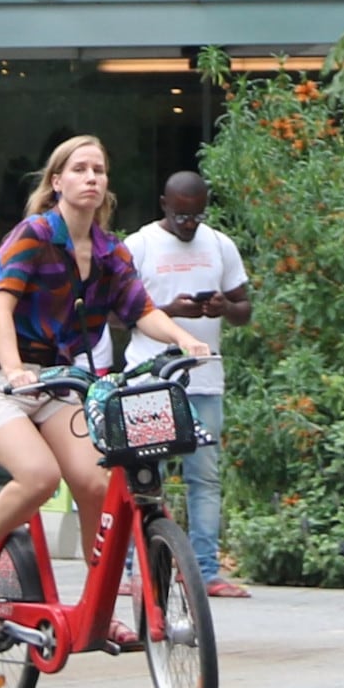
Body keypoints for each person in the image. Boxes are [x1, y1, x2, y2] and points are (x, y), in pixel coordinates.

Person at [0, 135, 211, 609]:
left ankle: (98, 606)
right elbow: (1, 309)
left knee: (97, 482)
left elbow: (141, 310)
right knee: (38, 476)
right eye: (80, 169)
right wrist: (14, 369)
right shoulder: (34, 236)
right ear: (57, 181)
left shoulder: (111, 251)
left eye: (99, 170)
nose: (91, 177)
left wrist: (184, 339)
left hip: (57, 383)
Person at [126, 170, 253, 599]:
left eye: (197, 215)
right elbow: (113, 314)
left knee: (205, 477)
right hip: (148, 379)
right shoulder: (139, 246)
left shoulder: (219, 244)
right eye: (181, 215)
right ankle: (134, 569)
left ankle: (205, 571)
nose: (189, 224)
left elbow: (244, 308)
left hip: (204, 380)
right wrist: (166, 309)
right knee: (146, 477)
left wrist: (223, 307)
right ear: (164, 204)